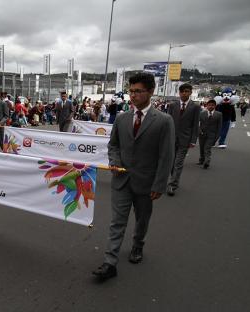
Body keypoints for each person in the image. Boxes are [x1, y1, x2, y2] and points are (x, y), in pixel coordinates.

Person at [92, 73, 175, 281]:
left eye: (138, 91)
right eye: (131, 91)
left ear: (150, 92)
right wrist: (114, 161)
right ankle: (110, 262)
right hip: (121, 179)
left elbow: (166, 156)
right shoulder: (122, 118)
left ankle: (138, 245)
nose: (133, 95)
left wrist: (160, 184)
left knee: (141, 220)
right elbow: (113, 145)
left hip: (147, 183)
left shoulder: (164, 121)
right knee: (117, 222)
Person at [166, 83, 200, 196]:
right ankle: (174, 178)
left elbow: (195, 125)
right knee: (171, 162)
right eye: (182, 91)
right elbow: (168, 122)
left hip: (185, 139)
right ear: (179, 93)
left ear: (190, 92)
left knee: (178, 163)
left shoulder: (195, 107)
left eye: (187, 91)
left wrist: (193, 140)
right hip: (171, 138)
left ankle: (172, 185)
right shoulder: (172, 105)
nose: (184, 93)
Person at [198, 99, 222, 169]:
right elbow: (198, 124)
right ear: (207, 106)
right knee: (202, 148)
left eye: (212, 105)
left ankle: (207, 162)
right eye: (209, 105)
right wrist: (199, 131)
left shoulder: (219, 114)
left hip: (212, 135)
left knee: (207, 148)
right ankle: (201, 160)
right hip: (202, 134)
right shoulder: (202, 113)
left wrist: (216, 137)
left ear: (215, 106)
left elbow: (219, 127)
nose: (211, 106)